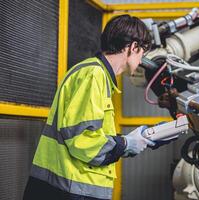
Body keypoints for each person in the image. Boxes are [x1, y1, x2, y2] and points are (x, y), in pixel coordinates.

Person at [23, 14, 156, 200]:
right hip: (68, 190)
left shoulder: (97, 75)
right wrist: (125, 144)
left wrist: (128, 141)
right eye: (142, 52)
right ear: (133, 47)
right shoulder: (93, 75)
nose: (142, 60)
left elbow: (88, 134)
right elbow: (82, 140)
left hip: (70, 188)